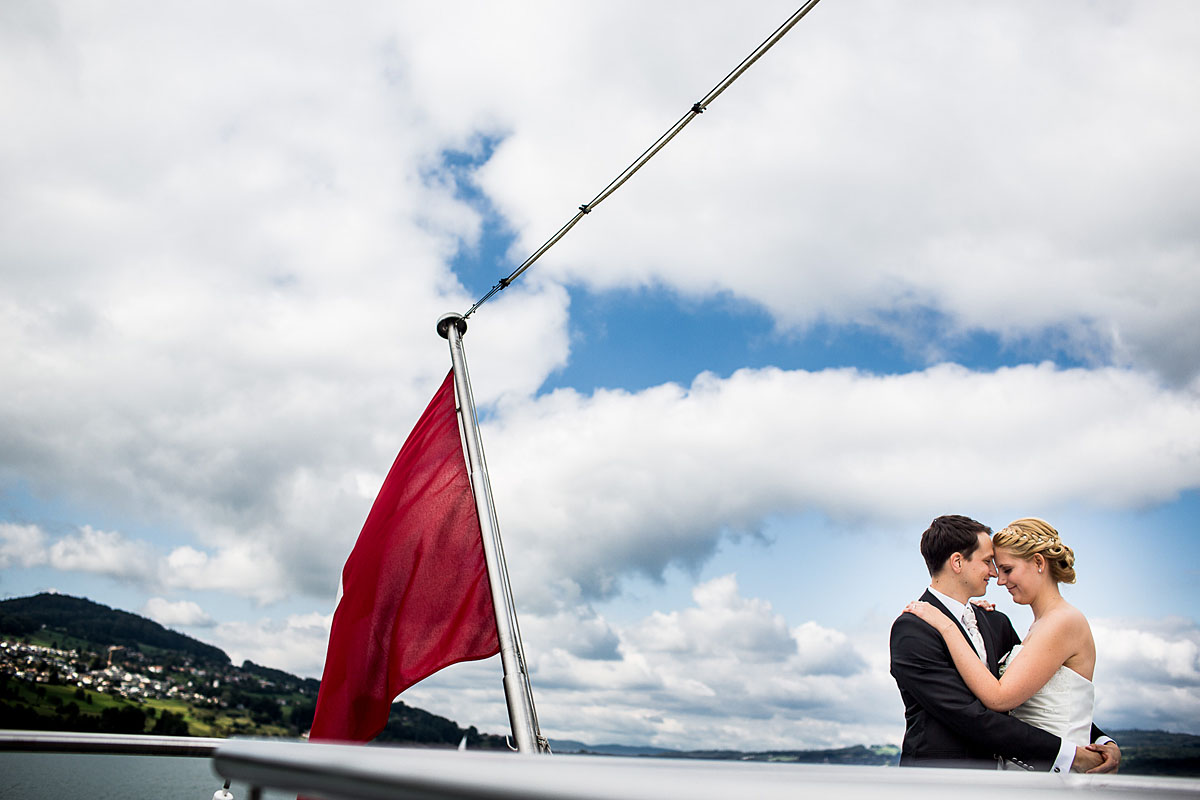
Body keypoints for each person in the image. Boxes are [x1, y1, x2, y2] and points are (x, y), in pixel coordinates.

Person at [889, 515, 1120, 771]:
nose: (995, 574)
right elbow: (969, 716)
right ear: (957, 562)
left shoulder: (995, 622)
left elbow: (1039, 690)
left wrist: (1099, 739)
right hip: (939, 783)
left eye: (1003, 567)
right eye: (988, 562)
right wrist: (1069, 755)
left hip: (1002, 782)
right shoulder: (913, 629)